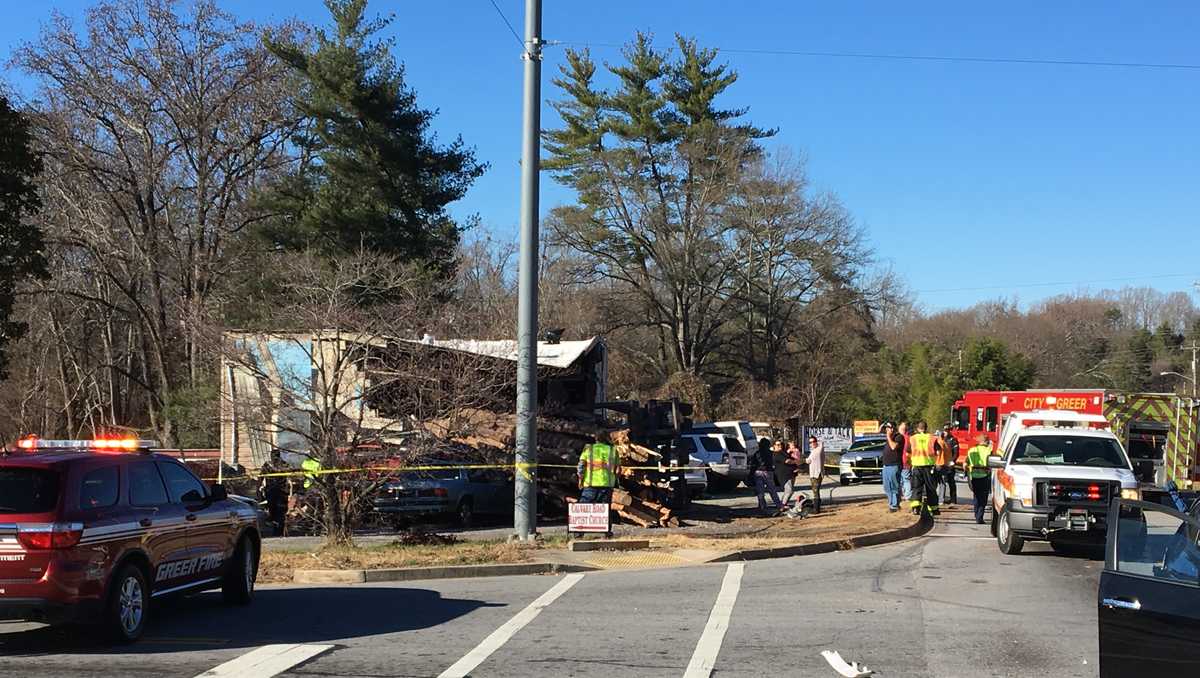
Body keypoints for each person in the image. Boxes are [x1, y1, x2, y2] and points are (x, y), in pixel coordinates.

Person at [908, 421, 944, 516]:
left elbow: (908, 452)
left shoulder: (912, 438)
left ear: (917, 428)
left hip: (917, 467)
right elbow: (939, 451)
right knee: (931, 489)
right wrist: (935, 459)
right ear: (926, 428)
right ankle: (934, 509)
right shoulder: (932, 438)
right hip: (929, 467)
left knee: (917, 488)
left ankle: (916, 508)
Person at [577, 431, 619, 504]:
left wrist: (580, 480)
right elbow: (618, 470)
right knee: (603, 512)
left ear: (596, 439)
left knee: (584, 510)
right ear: (607, 438)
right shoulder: (613, 450)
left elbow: (581, 466)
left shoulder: (588, 448)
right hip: (607, 485)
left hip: (589, 484)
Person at [748, 437, 784, 515]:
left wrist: (750, 474)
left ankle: (762, 506)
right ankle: (779, 505)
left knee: (760, 491)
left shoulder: (757, 453)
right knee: (772, 490)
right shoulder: (771, 453)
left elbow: (753, 464)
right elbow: (774, 463)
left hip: (758, 472)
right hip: (768, 472)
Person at [259, 450, 290, 535]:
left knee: (280, 511)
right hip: (272, 490)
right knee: (273, 510)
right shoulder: (268, 465)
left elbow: (289, 476)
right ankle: (275, 530)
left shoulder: (283, 464)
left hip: (281, 491)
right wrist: (259, 488)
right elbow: (261, 476)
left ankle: (279, 531)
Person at [964, 434, 993, 524]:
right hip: (985, 476)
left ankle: (977, 514)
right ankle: (979, 517)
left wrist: (967, 472)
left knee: (976, 496)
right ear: (986, 441)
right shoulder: (989, 450)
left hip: (973, 476)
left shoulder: (972, 450)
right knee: (983, 498)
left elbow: (965, 463)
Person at [881, 422, 903, 512]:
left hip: (894, 465)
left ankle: (895, 505)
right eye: (887, 428)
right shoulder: (888, 436)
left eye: (890, 428)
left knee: (894, 486)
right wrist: (883, 426)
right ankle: (891, 504)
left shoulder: (899, 437)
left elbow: (894, 447)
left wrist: (889, 437)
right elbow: (878, 430)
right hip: (886, 465)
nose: (889, 430)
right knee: (887, 487)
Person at [937, 424, 960, 505]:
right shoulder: (940, 440)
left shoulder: (953, 440)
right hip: (941, 463)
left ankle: (953, 499)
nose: (946, 432)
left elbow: (956, 453)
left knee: (951, 481)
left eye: (948, 430)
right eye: (945, 430)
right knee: (941, 481)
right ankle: (941, 499)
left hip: (949, 463)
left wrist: (952, 461)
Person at [779, 440, 805, 507]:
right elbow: (787, 460)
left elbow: (800, 459)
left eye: (793, 444)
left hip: (794, 471)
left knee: (790, 490)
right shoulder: (785, 452)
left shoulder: (796, 451)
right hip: (788, 473)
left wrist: (799, 465)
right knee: (789, 490)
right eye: (791, 444)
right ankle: (783, 504)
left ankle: (783, 503)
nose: (793, 445)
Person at [805, 435, 825, 513]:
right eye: (810, 442)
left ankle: (816, 509)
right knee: (815, 491)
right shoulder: (813, 451)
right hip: (813, 473)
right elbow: (808, 460)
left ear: (816, 442)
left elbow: (808, 460)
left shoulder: (819, 449)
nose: (812, 443)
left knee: (816, 491)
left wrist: (818, 440)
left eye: (813, 441)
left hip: (817, 473)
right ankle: (816, 507)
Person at [897, 422, 912, 504]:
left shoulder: (898, 438)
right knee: (906, 480)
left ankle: (900, 496)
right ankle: (907, 496)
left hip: (899, 461)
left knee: (899, 480)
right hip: (907, 462)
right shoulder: (910, 438)